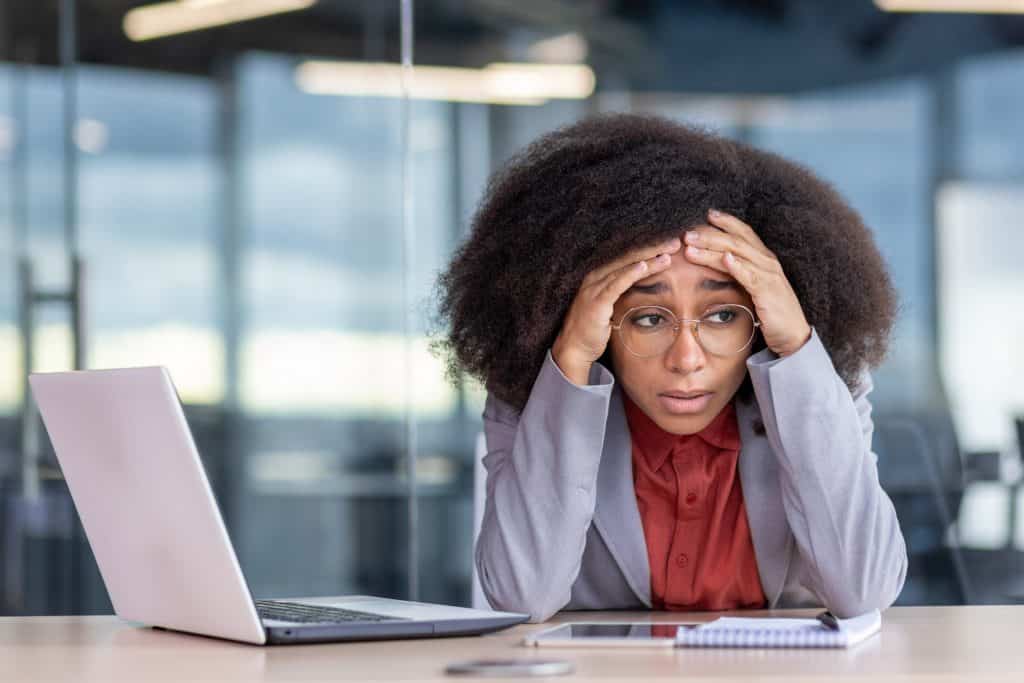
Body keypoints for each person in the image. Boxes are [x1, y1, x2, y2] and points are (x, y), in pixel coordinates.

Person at [434, 113, 907, 623]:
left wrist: (795, 345)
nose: (687, 359)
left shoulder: (820, 390)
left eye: (724, 315)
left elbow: (865, 590)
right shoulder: (533, 398)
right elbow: (521, 597)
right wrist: (570, 361)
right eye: (648, 318)